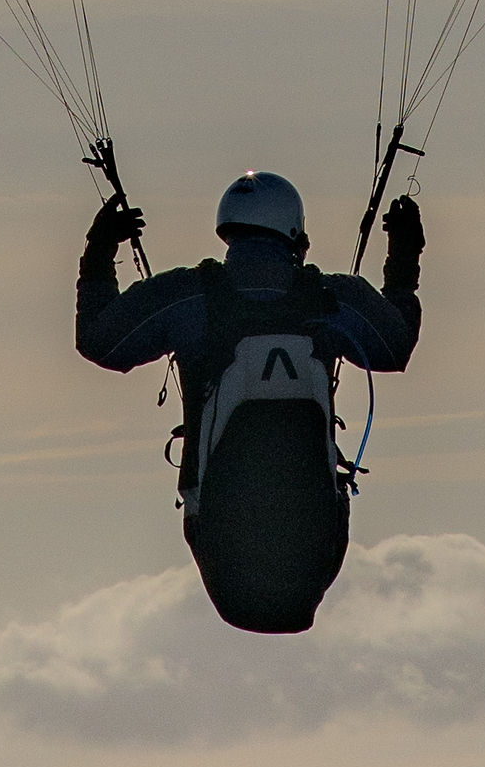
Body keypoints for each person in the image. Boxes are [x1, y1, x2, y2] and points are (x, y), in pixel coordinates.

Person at [76, 167, 423, 633]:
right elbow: (394, 345)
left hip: (226, 560)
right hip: (312, 556)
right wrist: (403, 259)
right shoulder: (331, 298)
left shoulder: (187, 298)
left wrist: (98, 253)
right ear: (294, 233)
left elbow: (102, 341)